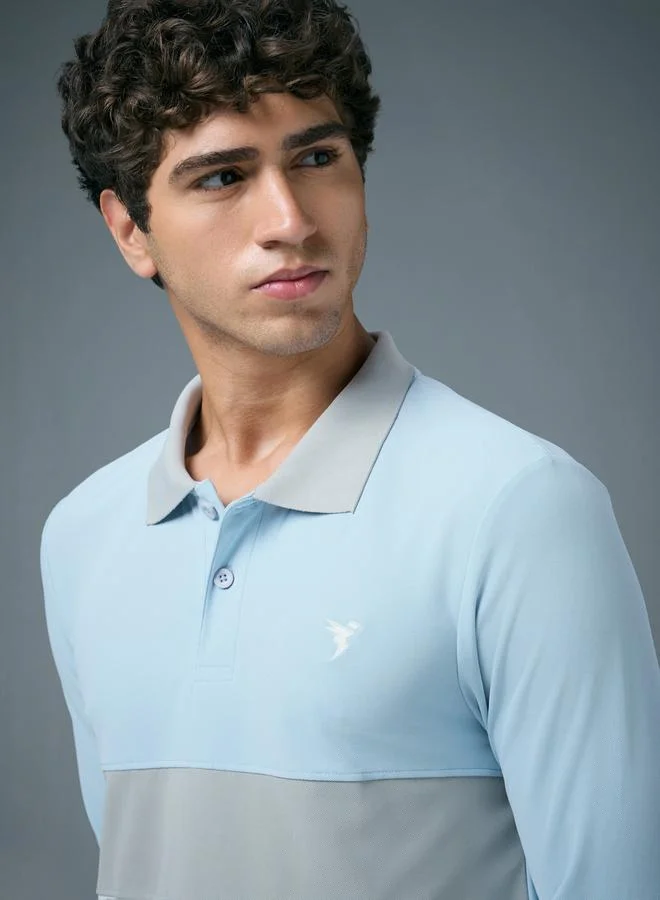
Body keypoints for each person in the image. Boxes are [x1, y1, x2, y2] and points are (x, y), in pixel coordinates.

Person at [41, 1, 660, 898]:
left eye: (316, 159)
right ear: (131, 231)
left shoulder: (521, 510)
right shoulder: (83, 534)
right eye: (223, 177)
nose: (289, 219)